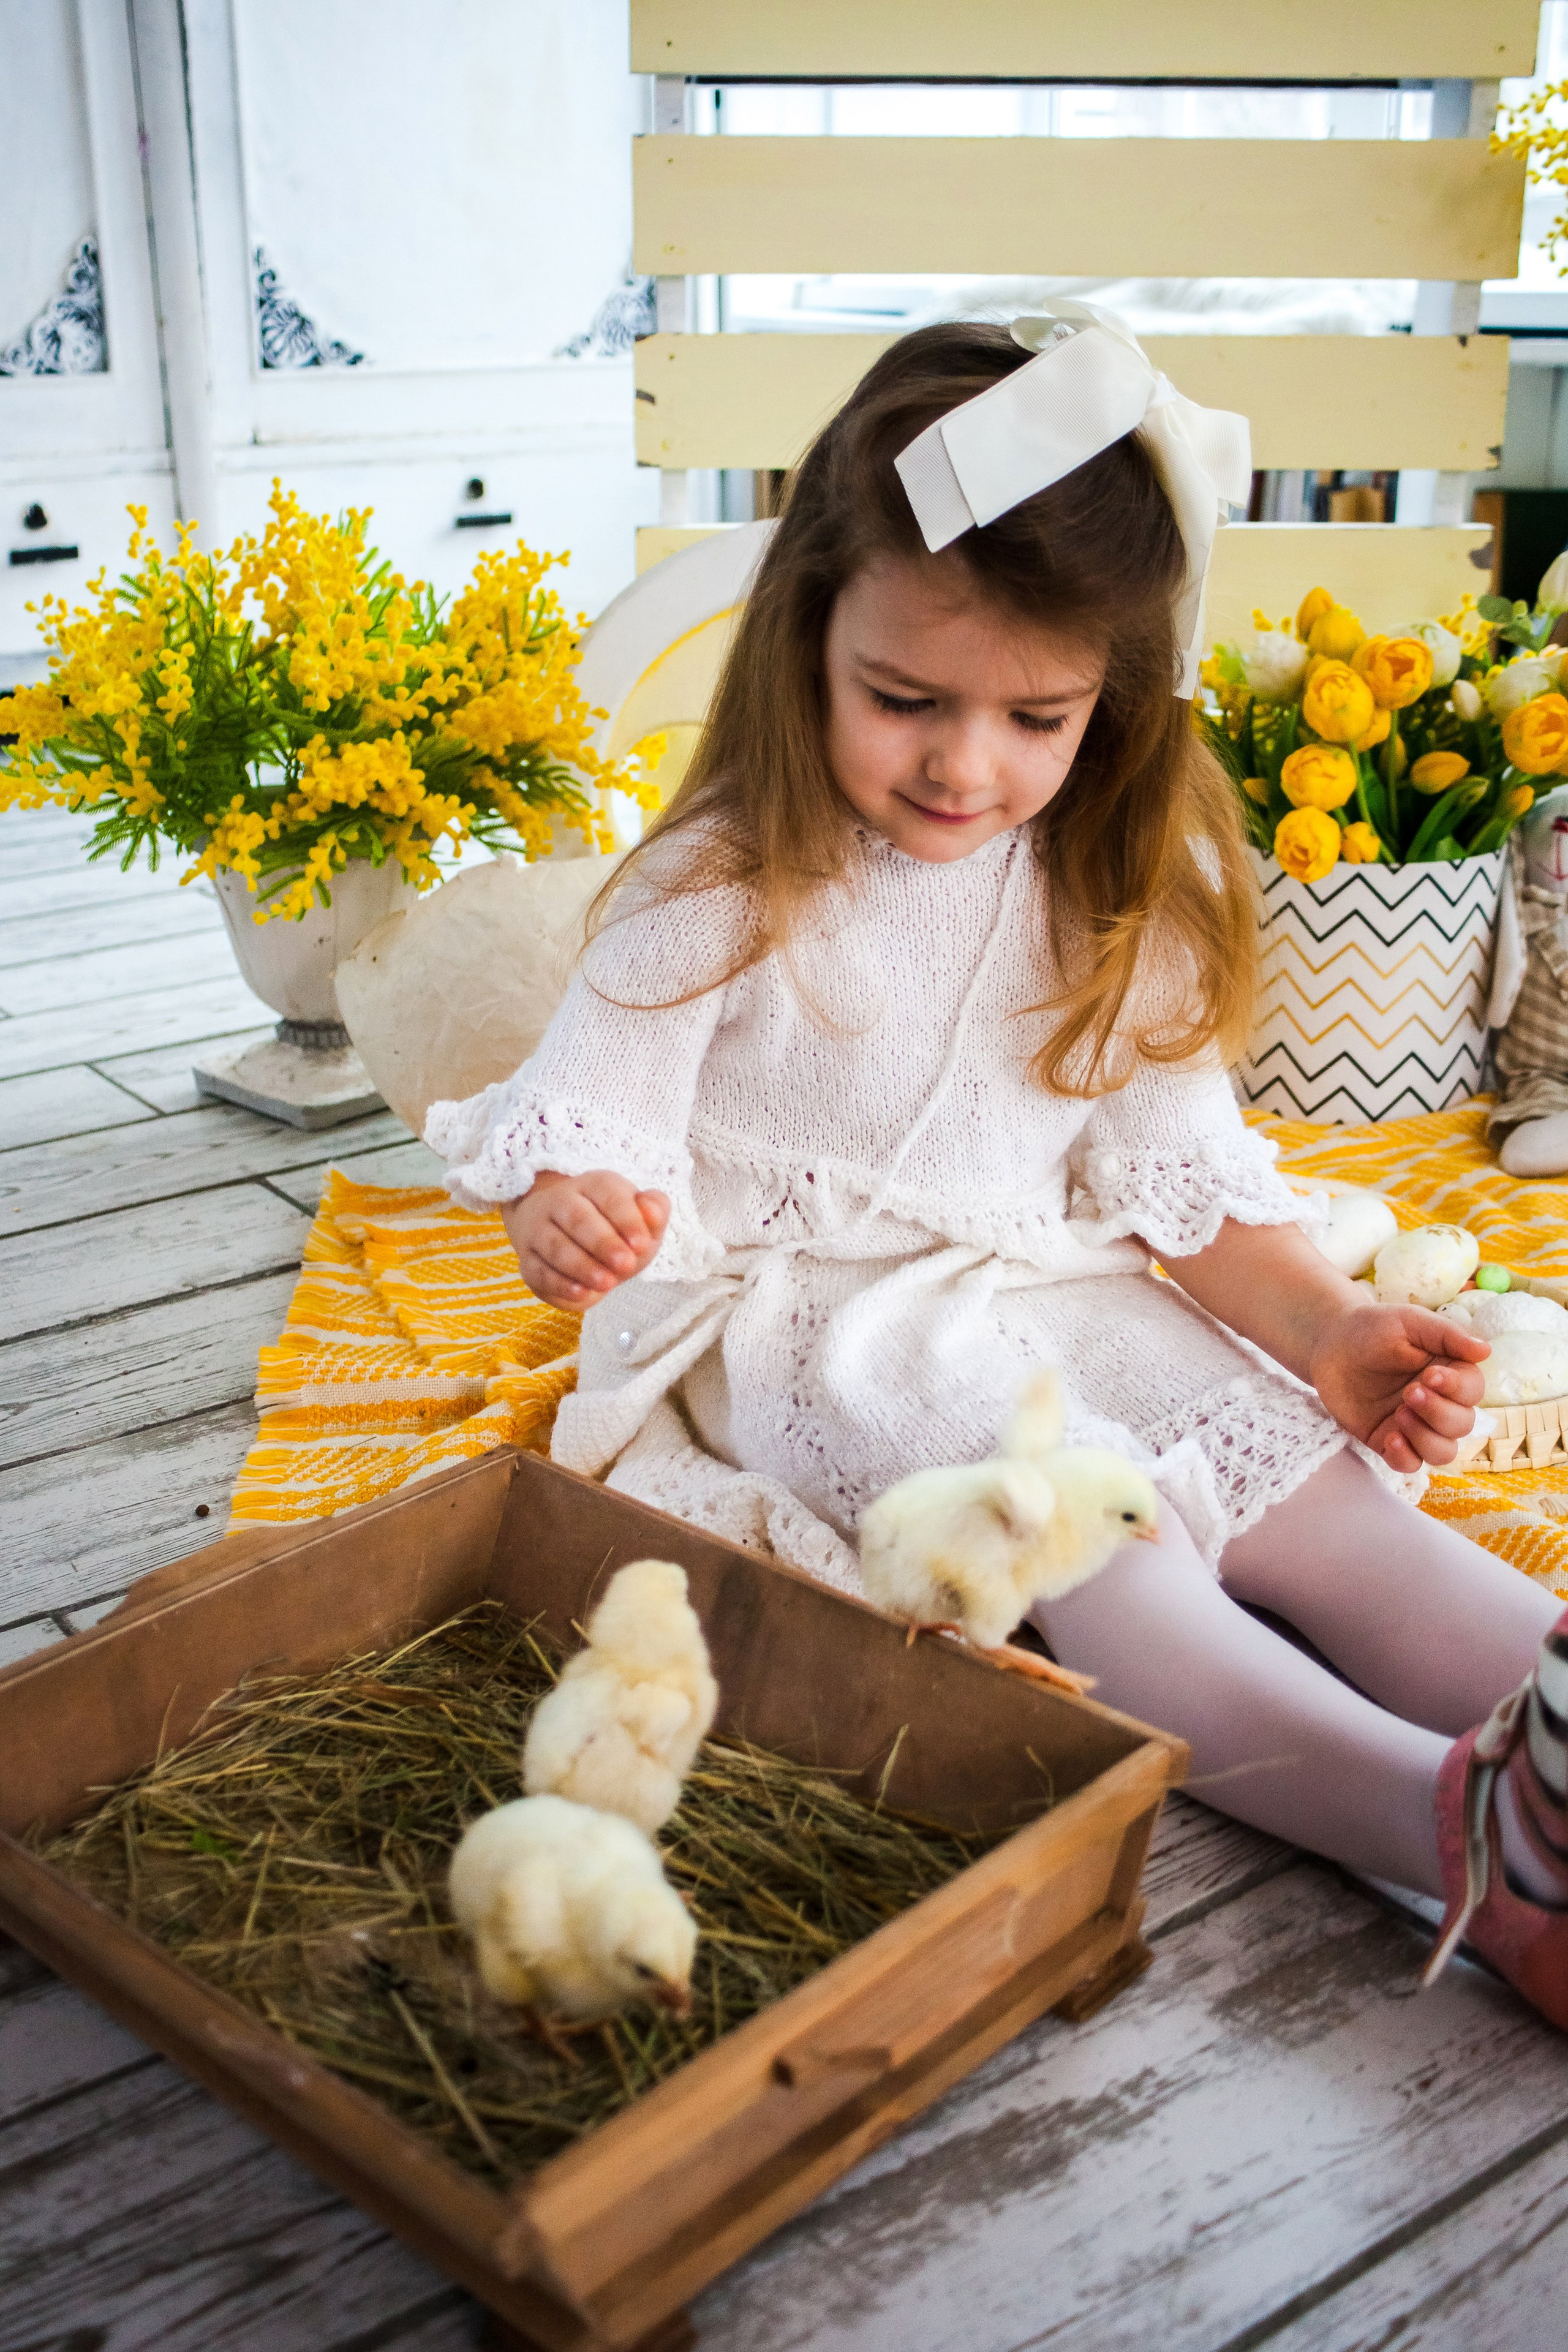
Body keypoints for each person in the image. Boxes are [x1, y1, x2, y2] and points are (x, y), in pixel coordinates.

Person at [428, 312, 1568, 2025]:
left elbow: (1176, 1183)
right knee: (1092, 1552)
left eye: (1037, 715)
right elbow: (587, 1107)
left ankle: (1540, 1709)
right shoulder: (721, 882)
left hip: (1051, 1289)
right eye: (907, 701)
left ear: (1113, 695)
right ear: (810, 636)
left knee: (1294, 1483)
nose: (969, 766)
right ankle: (1455, 1837)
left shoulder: (1106, 877)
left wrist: (1329, 1335)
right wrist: (562, 1205)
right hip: (820, 1329)